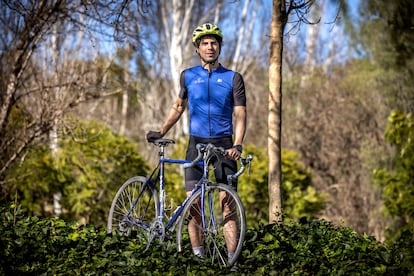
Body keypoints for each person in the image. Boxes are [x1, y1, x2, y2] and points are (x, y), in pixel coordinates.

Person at [146, 23, 247, 262]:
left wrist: (238, 144)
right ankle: (198, 257)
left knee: (228, 204)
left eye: (214, 43)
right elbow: (178, 107)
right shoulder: (188, 76)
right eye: (205, 43)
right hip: (196, 144)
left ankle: (231, 260)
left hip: (224, 145)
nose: (210, 47)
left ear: (219, 46)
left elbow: (241, 114)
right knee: (194, 203)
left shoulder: (233, 78)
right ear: (197, 48)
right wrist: (161, 129)